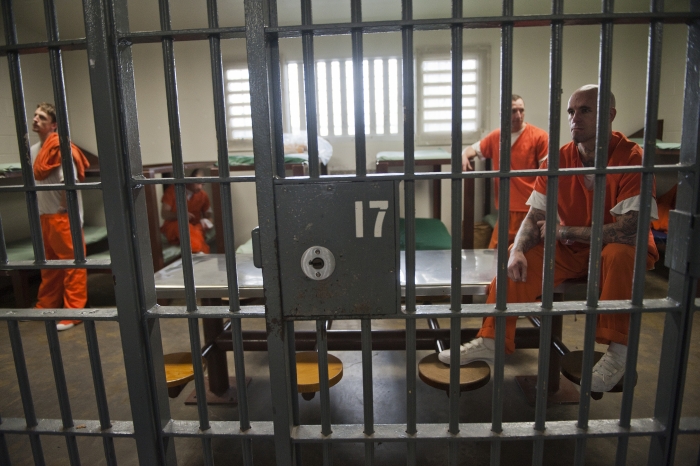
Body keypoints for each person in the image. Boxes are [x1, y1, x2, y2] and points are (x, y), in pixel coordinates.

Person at [440, 85, 659, 393]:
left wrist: (565, 232)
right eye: (571, 111)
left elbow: (629, 230)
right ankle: (491, 340)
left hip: (616, 246)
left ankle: (618, 353)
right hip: (571, 248)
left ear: (609, 115)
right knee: (517, 258)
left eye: (585, 110)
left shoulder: (633, 158)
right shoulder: (557, 159)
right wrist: (517, 250)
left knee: (619, 254)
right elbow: (535, 215)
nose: (575, 118)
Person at [31, 102, 90, 331]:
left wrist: (63, 209)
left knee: (73, 266)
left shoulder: (61, 148)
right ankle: (46, 306)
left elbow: (70, 182)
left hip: (64, 217)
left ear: (54, 125)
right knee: (49, 267)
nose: (36, 120)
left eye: (42, 118)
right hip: (44, 215)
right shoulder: (34, 150)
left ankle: (73, 313)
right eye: (35, 116)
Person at [462, 94, 549, 248]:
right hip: (506, 207)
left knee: (524, 252)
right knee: (497, 252)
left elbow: (547, 174)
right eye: (513, 111)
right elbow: (473, 149)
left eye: (521, 110)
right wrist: (463, 155)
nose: (518, 115)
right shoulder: (497, 136)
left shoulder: (539, 137)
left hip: (530, 207)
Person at [160, 168, 213, 254]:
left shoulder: (203, 195)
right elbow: (164, 214)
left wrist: (207, 222)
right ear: (189, 179)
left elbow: (209, 215)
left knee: (197, 231)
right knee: (184, 227)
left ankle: (200, 253)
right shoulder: (172, 191)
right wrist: (181, 216)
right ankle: (200, 253)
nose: (200, 187)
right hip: (175, 226)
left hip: (195, 227)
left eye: (202, 184)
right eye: (198, 183)